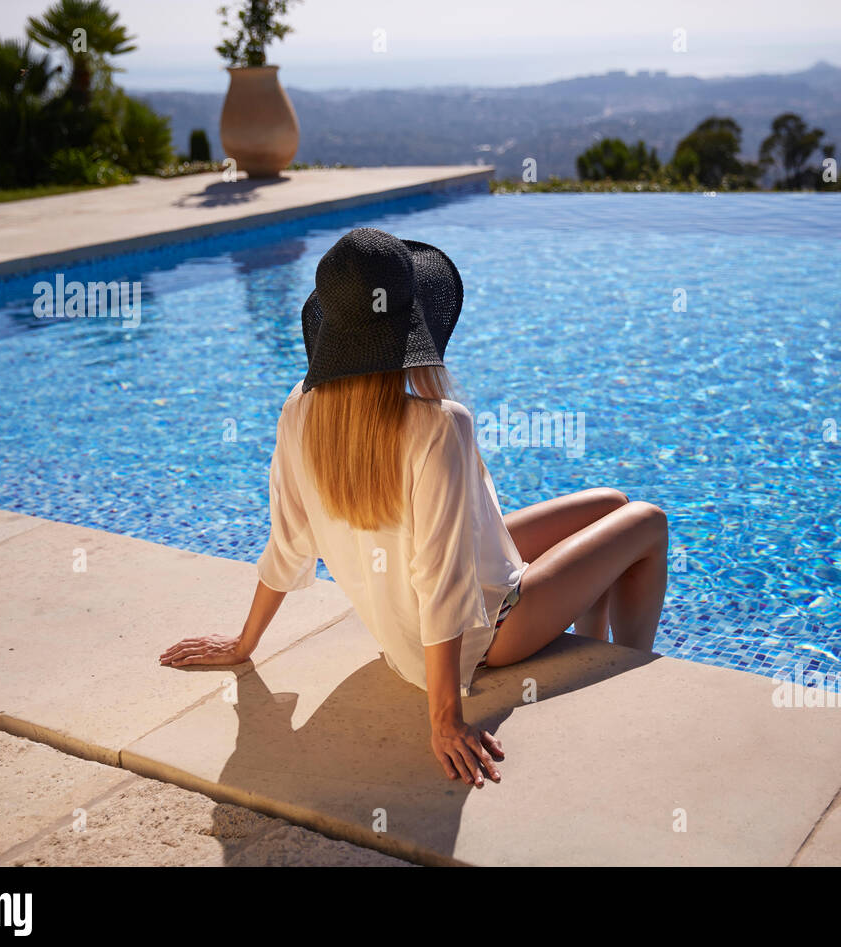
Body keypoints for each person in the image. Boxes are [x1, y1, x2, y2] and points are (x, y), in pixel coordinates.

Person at [160, 227, 668, 787]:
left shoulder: (299, 414)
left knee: (610, 504)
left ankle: (592, 649)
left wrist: (245, 641)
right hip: (488, 636)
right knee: (647, 521)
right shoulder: (439, 424)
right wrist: (445, 718)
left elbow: (289, 543)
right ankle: (628, 670)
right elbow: (443, 578)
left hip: (408, 635)